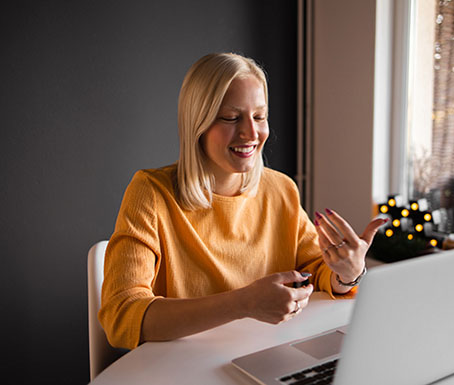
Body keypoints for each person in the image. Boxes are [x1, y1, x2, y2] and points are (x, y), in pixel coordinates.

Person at [99, 52, 386, 350]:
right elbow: (122, 316)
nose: (252, 132)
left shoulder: (280, 190)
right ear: (198, 123)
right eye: (231, 118)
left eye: (259, 116)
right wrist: (242, 303)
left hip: (265, 356)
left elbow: (317, 269)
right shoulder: (151, 194)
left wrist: (349, 273)